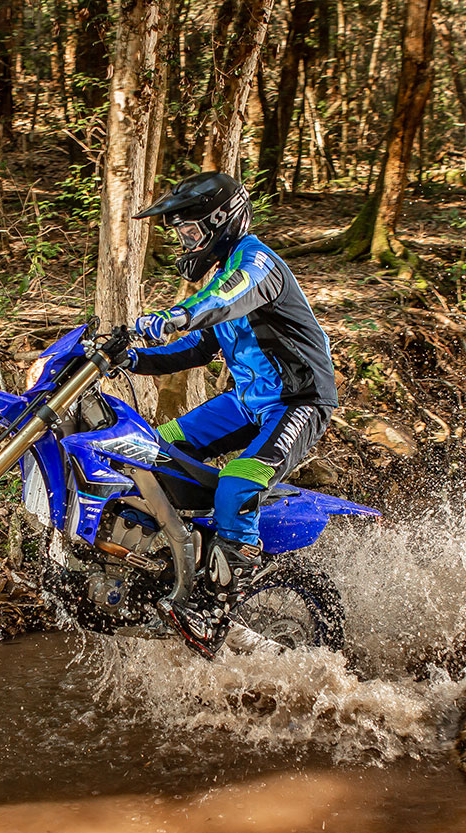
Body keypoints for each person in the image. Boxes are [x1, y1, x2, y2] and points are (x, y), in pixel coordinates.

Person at [125, 171, 338, 659]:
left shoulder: (256, 263)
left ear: (222, 221)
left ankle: (217, 607)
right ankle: (179, 559)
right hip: (247, 400)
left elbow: (223, 300)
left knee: (238, 483)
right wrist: (129, 357)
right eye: (181, 234)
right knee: (151, 450)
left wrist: (173, 316)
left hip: (299, 401)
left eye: (191, 231)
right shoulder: (224, 275)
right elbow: (196, 349)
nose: (186, 243)